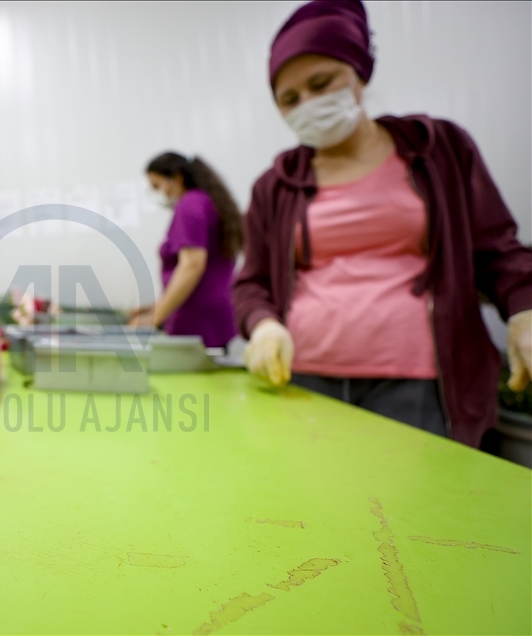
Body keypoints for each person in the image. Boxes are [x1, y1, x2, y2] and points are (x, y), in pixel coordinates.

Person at [233, 0, 532, 447]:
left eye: (322, 83)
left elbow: (496, 247)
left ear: (358, 73)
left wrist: (524, 310)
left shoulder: (438, 151)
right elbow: (251, 282)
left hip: (417, 383)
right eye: (290, 98)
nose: (308, 104)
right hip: (305, 375)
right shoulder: (274, 187)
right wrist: (263, 324)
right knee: (312, 508)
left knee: (414, 510)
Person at [129, 152, 243, 348]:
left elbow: (192, 266)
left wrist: (155, 317)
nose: (158, 193)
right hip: (214, 315)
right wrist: (157, 306)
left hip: (197, 320)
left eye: (157, 186)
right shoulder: (206, 202)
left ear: (177, 178)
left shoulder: (190, 205)